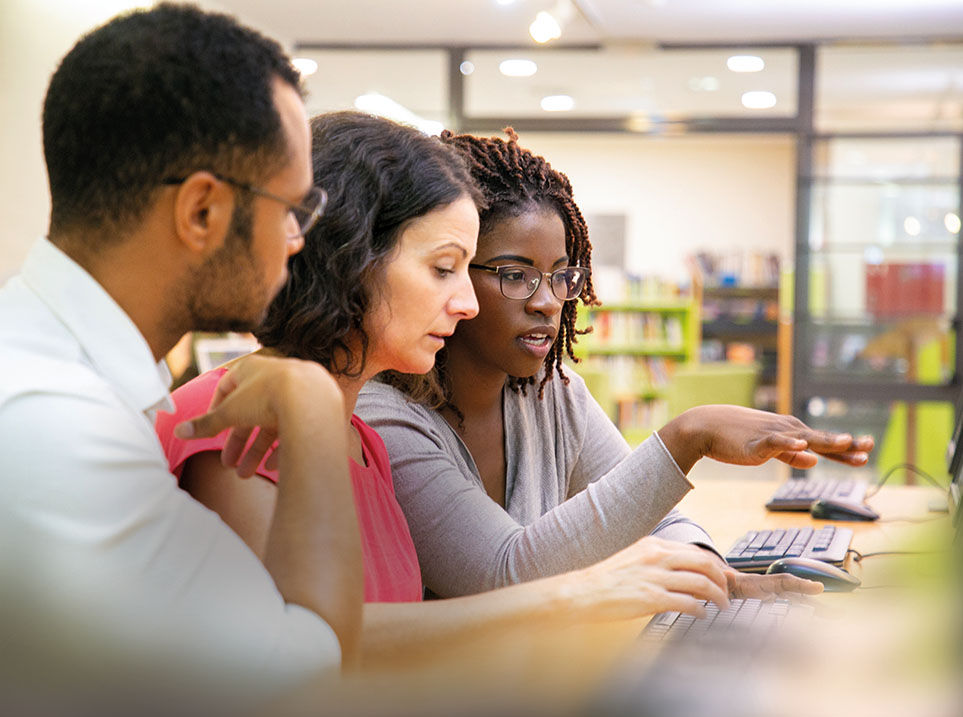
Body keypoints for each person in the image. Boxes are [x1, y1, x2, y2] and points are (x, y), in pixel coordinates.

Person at [157, 112, 811, 666]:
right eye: (445, 268)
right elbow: (310, 656)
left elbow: (385, 644)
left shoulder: (359, 440)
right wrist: (582, 594)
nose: (467, 301)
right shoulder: (234, 420)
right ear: (349, 257)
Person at [0, 4, 363, 681]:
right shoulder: (57, 423)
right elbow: (306, 674)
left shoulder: (45, 363)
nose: (297, 240)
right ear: (202, 211)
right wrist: (311, 400)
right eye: (292, 209)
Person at [357, 128, 874, 598]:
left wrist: (721, 580)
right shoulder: (383, 417)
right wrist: (686, 437)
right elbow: (501, 574)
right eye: (517, 275)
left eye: (563, 275)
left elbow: (660, 522)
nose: (547, 302)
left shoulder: (552, 394)